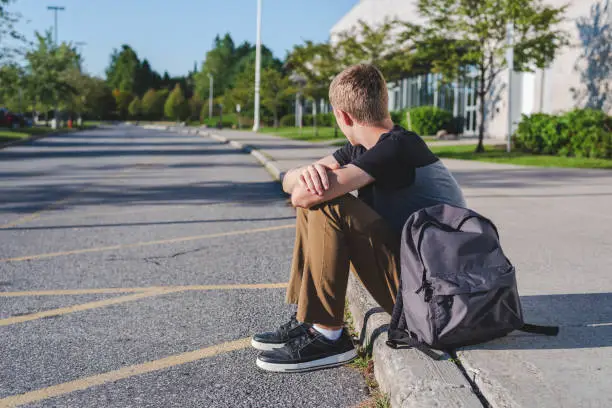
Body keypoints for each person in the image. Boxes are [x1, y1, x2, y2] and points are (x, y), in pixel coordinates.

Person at [252, 64, 466, 373]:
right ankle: (308, 318)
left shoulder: (396, 149)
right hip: (422, 284)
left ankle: (329, 336)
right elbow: (289, 182)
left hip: (435, 299)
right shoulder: (366, 148)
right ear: (383, 102)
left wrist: (308, 181)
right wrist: (305, 173)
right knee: (320, 194)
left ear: (342, 116)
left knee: (328, 204)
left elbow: (302, 196)